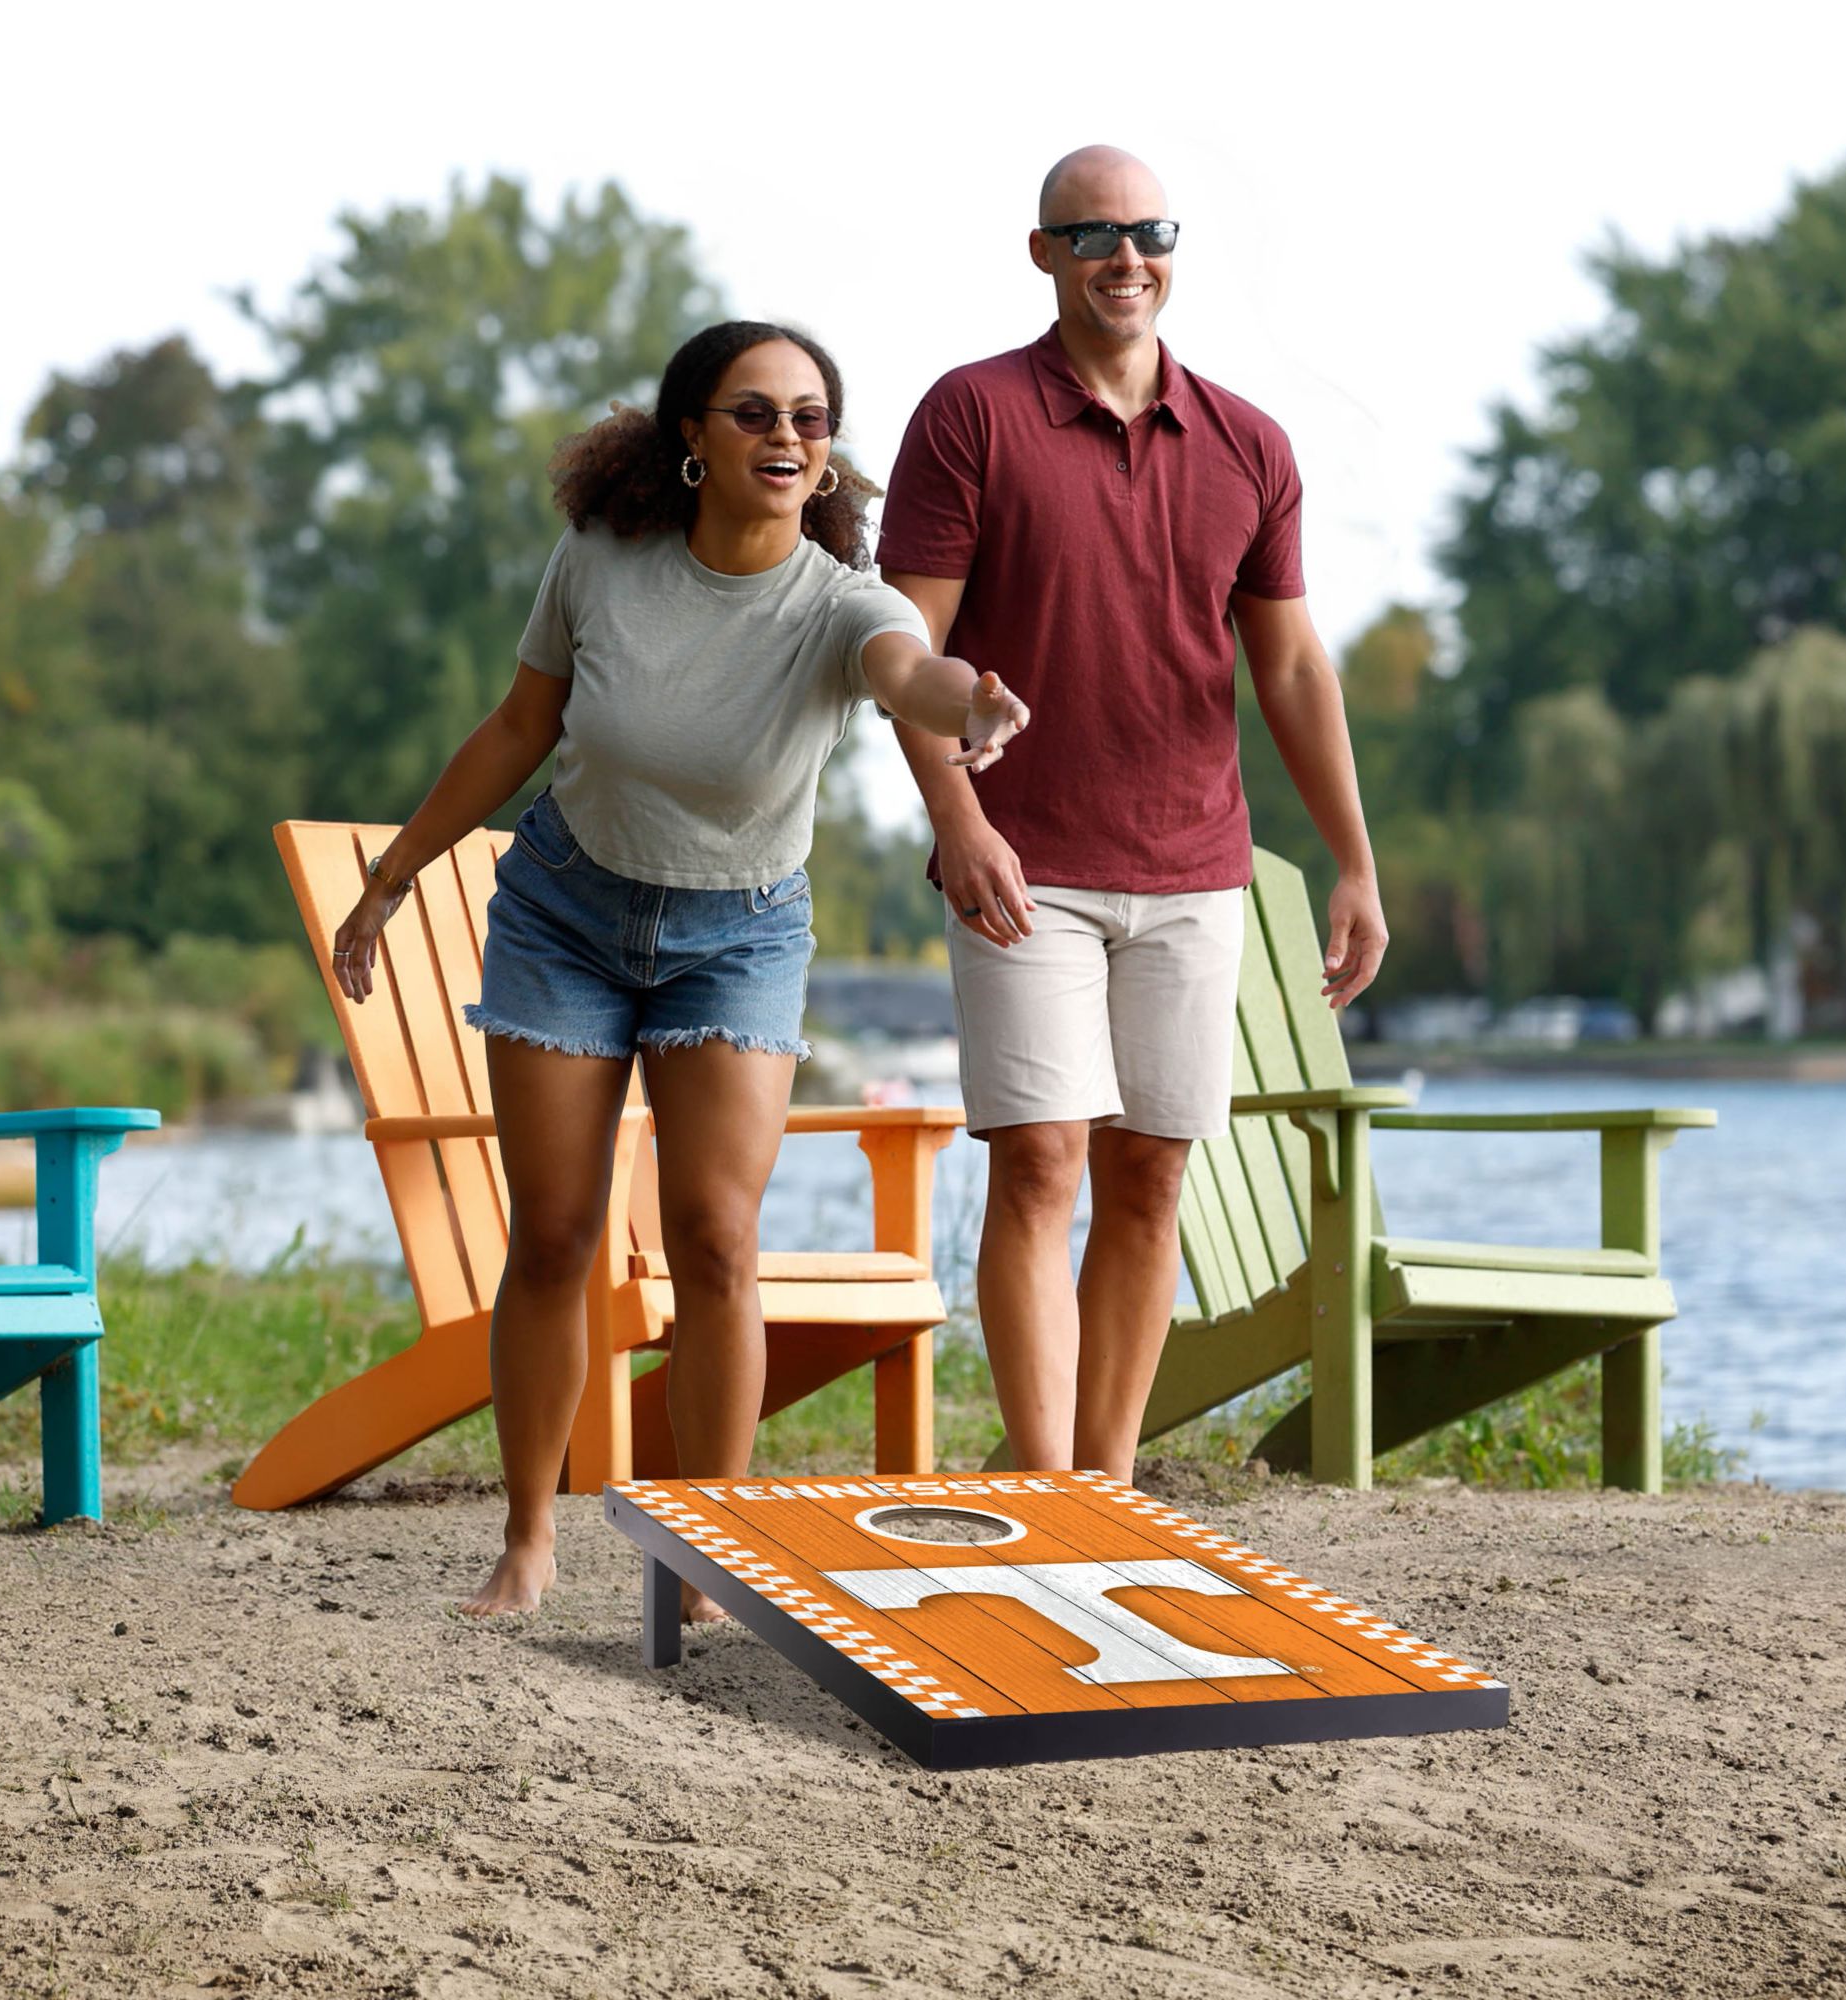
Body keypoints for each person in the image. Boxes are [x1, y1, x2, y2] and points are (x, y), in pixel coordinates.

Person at [330, 320, 1029, 1618]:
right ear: (693, 437)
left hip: (740, 935)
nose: (785, 436)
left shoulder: (843, 603)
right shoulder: (602, 560)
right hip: (565, 915)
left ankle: (709, 1554)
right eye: (754, 412)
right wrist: (396, 873)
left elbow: (909, 675)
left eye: (809, 417)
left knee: (716, 1240)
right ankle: (528, 1539)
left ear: (828, 455)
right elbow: (520, 727)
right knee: (555, 1234)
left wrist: (971, 706)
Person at [876, 146, 1386, 1483]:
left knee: (1151, 1176)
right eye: (1093, 234)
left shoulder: (1248, 444)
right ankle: (1048, 1485)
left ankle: (1102, 1479)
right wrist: (958, 822)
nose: (1126, 257)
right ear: (1042, 253)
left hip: (1194, 867)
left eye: (1149, 232)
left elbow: (1292, 668)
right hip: (1023, 864)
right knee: (1042, 1162)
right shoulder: (971, 415)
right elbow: (900, 649)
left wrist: (1353, 861)